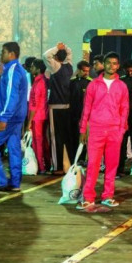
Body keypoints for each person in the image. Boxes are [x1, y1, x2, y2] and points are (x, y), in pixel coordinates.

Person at [77, 52, 129, 212]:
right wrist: (83, 129)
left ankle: (107, 196)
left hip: (114, 131)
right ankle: (88, 198)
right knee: (92, 165)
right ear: (103, 64)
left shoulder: (122, 86)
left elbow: (125, 109)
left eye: (114, 63)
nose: (111, 66)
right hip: (96, 130)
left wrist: (121, 130)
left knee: (112, 165)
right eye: (108, 63)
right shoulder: (93, 85)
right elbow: (86, 108)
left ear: (118, 66)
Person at [0, 42, 29, 191]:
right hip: (16, 118)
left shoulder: (12, 71)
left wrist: (4, 118)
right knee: (14, 148)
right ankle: (15, 183)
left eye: (3, 52)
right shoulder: (18, 70)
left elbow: (11, 97)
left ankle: (0, 180)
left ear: (11, 54)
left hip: (7, 118)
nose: (0, 55)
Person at [44, 43, 73, 173]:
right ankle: (67, 164)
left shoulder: (56, 67)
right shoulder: (70, 67)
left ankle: (57, 167)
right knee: (65, 136)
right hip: (67, 107)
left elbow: (45, 56)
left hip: (55, 107)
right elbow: (70, 53)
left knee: (55, 138)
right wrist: (64, 47)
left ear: (55, 57)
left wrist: (56, 47)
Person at [26, 59, 50, 174]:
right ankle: (46, 164)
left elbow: (34, 104)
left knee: (37, 142)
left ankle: (41, 167)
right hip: (43, 115)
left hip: (37, 118)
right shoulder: (44, 80)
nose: (31, 69)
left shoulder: (38, 83)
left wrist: (29, 121)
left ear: (38, 69)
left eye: (32, 67)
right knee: (43, 141)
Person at [69, 60, 92, 161]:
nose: (86, 73)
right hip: (73, 115)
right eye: (84, 70)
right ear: (78, 70)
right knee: (73, 137)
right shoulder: (72, 82)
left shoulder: (91, 83)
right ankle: (74, 159)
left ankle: (82, 159)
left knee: (84, 139)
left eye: (88, 71)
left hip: (86, 117)